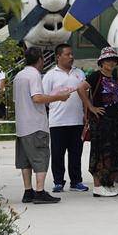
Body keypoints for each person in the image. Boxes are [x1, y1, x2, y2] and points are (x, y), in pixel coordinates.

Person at [14, 46, 71, 204]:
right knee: (41, 158)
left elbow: (17, 100)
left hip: (21, 127)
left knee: (25, 161)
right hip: (35, 125)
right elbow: (37, 98)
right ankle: (39, 192)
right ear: (40, 59)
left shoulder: (19, 76)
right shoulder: (34, 75)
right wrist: (58, 97)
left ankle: (28, 191)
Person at [79, 47, 118, 198]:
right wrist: (91, 107)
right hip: (100, 120)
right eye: (107, 60)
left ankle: (107, 183)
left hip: (114, 119)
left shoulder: (114, 76)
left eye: (113, 60)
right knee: (100, 151)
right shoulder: (95, 76)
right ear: (102, 62)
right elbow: (81, 88)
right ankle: (98, 186)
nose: (110, 63)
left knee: (114, 150)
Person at [41, 43, 88, 193]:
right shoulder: (50, 75)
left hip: (77, 120)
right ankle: (58, 182)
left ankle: (76, 181)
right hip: (58, 121)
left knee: (76, 153)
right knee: (58, 154)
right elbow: (45, 98)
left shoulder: (79, 73)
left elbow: (85, 96)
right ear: (58, 57)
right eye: (67, 54)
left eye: (72, 54)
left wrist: (86, 114)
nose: (71, 57)